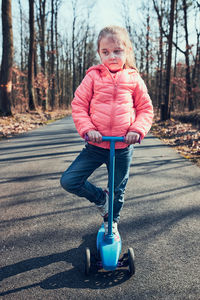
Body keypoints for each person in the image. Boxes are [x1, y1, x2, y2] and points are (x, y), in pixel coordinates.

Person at [60, 26, 153, 240]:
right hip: (96, 145)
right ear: (99, 53)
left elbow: (145, 109)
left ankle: (112, 222)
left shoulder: (133, 79)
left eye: (117, 51)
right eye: (106, 52)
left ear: (127, 51)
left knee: (118, 190)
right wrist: (88, 129)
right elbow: (79, 105)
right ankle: (100, 197)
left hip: (121, 147)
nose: (112, 56)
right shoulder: (93, 77)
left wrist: (136, 130)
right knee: (70, 180)